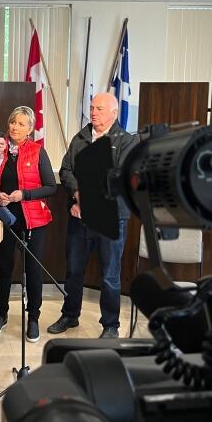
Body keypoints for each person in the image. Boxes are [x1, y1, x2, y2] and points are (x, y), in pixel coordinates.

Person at [47, 92, 137, 339]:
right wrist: (77, 193)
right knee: (74, 270)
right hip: (79, 218)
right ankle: (70, 315)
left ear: (113, 113)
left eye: (99, 108)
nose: (93, 112)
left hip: (111, 218)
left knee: (109, 275)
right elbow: (66, 170)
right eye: (92, 107)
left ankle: (110, 325)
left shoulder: (127, 141)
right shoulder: (81, 137)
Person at [0, 106, 56, 343]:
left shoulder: (38, 151)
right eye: (12, 123)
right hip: (3, 217)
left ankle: (34, 318)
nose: (15, 127)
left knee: (32, 270)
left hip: (32, 219)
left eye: (21, 124)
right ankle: (2, 314)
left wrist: (24, 195)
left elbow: (51, 187)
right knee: (3, 268)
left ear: (29, 129)